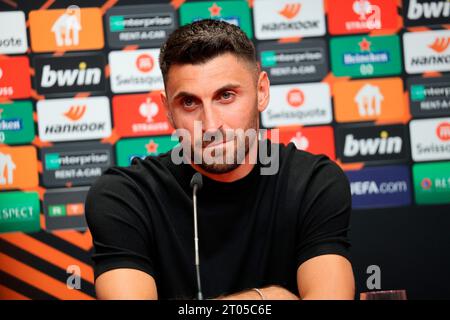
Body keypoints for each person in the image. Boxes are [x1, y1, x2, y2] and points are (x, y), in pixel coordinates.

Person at [85, 19, 355, 300]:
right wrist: (265, 299)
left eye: (226, 96)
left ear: (262, 91)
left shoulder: (312, 182)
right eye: (189, 102)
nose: (211, 125)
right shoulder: (125, 196)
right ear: (166, 109)